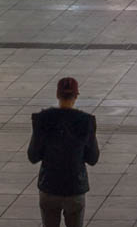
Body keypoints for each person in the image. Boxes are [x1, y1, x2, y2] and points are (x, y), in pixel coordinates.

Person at [28, 76, 100, 227]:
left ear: (57, 95)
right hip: (75, 188)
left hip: (49, 186)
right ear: (75, 96)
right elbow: (93, 158)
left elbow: (33, 156)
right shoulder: (86, 121)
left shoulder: (43, 119)